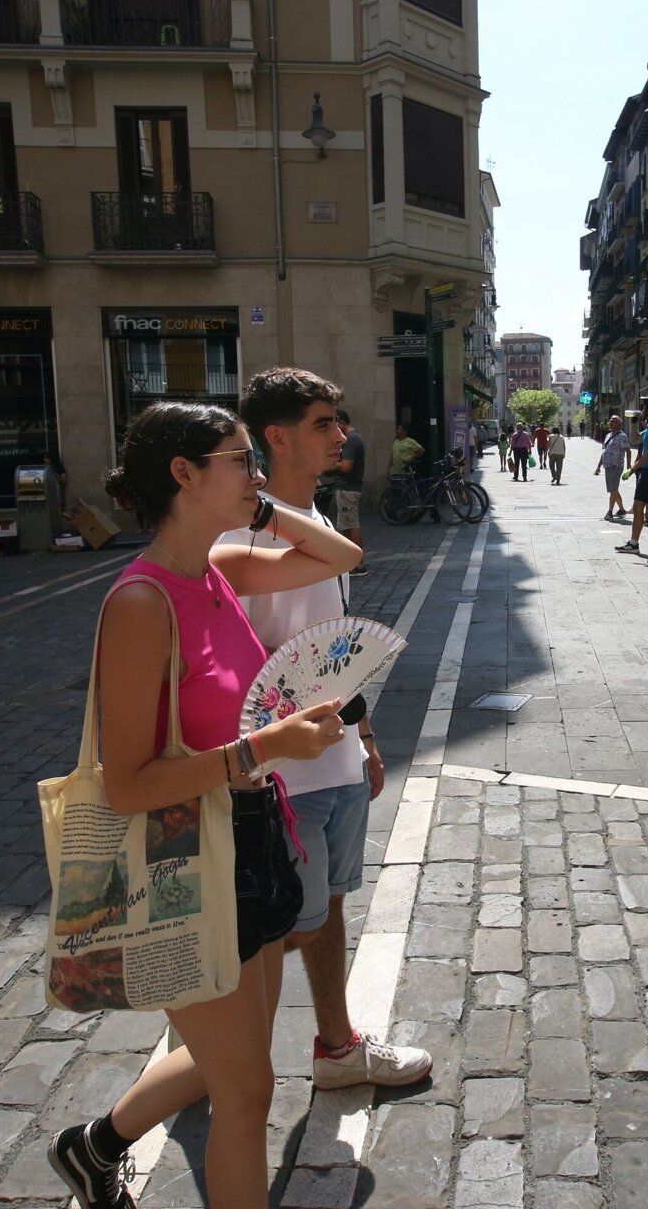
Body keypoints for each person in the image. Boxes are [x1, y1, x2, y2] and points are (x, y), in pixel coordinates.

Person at [47, 399, 361, 1209]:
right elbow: (128, 782)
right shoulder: (143, 603)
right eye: (238, 458)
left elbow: (337, 553)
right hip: (183, 858)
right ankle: (97, 1147)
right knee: (247, 1090)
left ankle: (93, 1144)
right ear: (184, 474)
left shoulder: (218, 568)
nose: (255, 472)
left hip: (250, 839)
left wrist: (258, 503)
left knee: (238, 1053)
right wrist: (267, 747)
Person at [220, 369, 431, 1093]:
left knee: (329, 910)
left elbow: (331, 643)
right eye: (322, 422)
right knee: (283, 926)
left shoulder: (320, 517)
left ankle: (336, 1048)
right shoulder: (240, 528)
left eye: (338, 419)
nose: (341, 434)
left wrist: (362, 735)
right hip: (279, 768)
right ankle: (206, 1058)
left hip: (333, 754)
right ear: (275, 437)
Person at [318, 408, 367, 576]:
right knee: (347, 526)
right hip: (348, 488)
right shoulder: (355, 437)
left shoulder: (352, 439)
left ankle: (358, 564)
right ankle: (353, 562)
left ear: (341, 422)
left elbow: (346, 466)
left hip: (347, 488)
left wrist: (331, 463)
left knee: (351, 525)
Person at [616, 398, 648, 555]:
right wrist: (633, 422)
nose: (641, 408)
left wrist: (632, 468)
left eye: (643, 406)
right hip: (646, 473)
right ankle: (633, 544)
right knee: (638, 508)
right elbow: (635, 438)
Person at [594, 414, 632, 521]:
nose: (610, 423)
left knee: (613, 489)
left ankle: (610, 512)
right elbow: (605, 452)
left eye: (613, 421)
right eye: (610, 421)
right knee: (613, 490)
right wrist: (598, 466)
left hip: (617, 466)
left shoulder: (622, 436)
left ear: (620, 423)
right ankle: (621, 509)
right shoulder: (608, 435)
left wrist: (629, 467)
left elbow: (628, 451)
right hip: (608, 466)